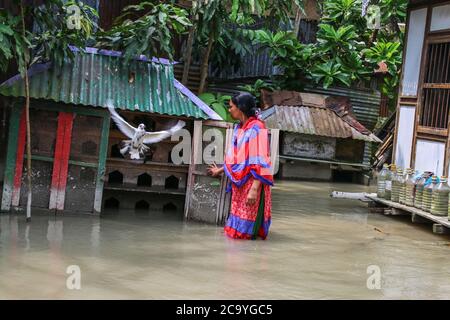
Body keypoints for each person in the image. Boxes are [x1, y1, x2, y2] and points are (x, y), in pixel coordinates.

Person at [208, 92, 273, 240]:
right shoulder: (240, 127)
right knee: (236, 227)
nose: (229, 110)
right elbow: (237, 156)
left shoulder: (257, 128)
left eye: (231, 106)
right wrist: (220, 170)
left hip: (252, 181)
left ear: (241, 108)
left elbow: (262, 160)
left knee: (247, 231)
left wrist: (254, 189)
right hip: (240, 182)